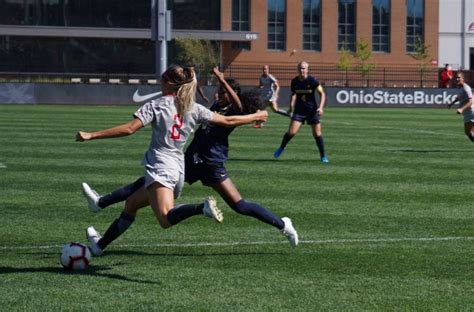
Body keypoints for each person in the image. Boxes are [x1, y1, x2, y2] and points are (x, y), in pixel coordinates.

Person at [80, 68, 299, 256]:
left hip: (206, 163)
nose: (219, 93)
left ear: (167, 83)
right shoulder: (198, 107)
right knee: (135, 199)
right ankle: (100, 234)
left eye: (223, 91)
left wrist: (92, 135)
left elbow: (130, 129)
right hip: (186, 163)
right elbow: (220, 115)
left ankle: (277, 224)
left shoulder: (167, 105)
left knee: (179, 215)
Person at [273, 61, 329, 163]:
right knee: (291, 132)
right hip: (299, 111)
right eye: (300, 68)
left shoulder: (313, 80)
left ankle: (323, 156)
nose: (301, 70)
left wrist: (321, 108)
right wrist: (290, 108)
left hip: (312, 111)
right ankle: (281, 147)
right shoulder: (294, 81)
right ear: (297, 70)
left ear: (307, 70)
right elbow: (293, 94)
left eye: (303, 68)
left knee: (317, 134)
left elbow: (322, 94)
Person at [448, 72, 473, 141]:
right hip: (467, 113)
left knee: (469, 132)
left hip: (471, 112)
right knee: (468, 132)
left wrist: (461, 109)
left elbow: (470, 102)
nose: (457, 79)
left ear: (463, 79)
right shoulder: (460, 88)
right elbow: (459, 97)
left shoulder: (466, 88)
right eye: (456, 77)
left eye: (459, 77)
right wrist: (452, 103)